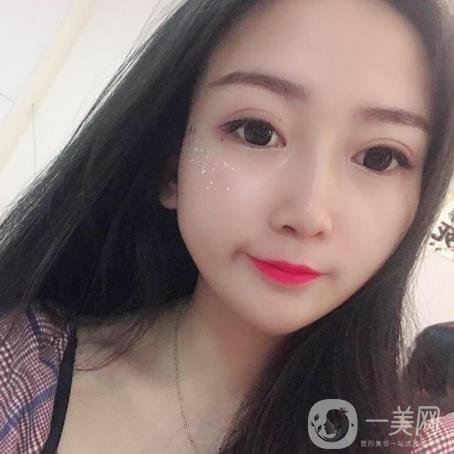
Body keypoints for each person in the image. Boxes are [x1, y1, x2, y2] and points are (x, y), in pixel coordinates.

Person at [0, 0, 453, 452]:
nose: (308, 214)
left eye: (379, 157)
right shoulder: (17, 367)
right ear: (171, 166)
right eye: (257, 131)